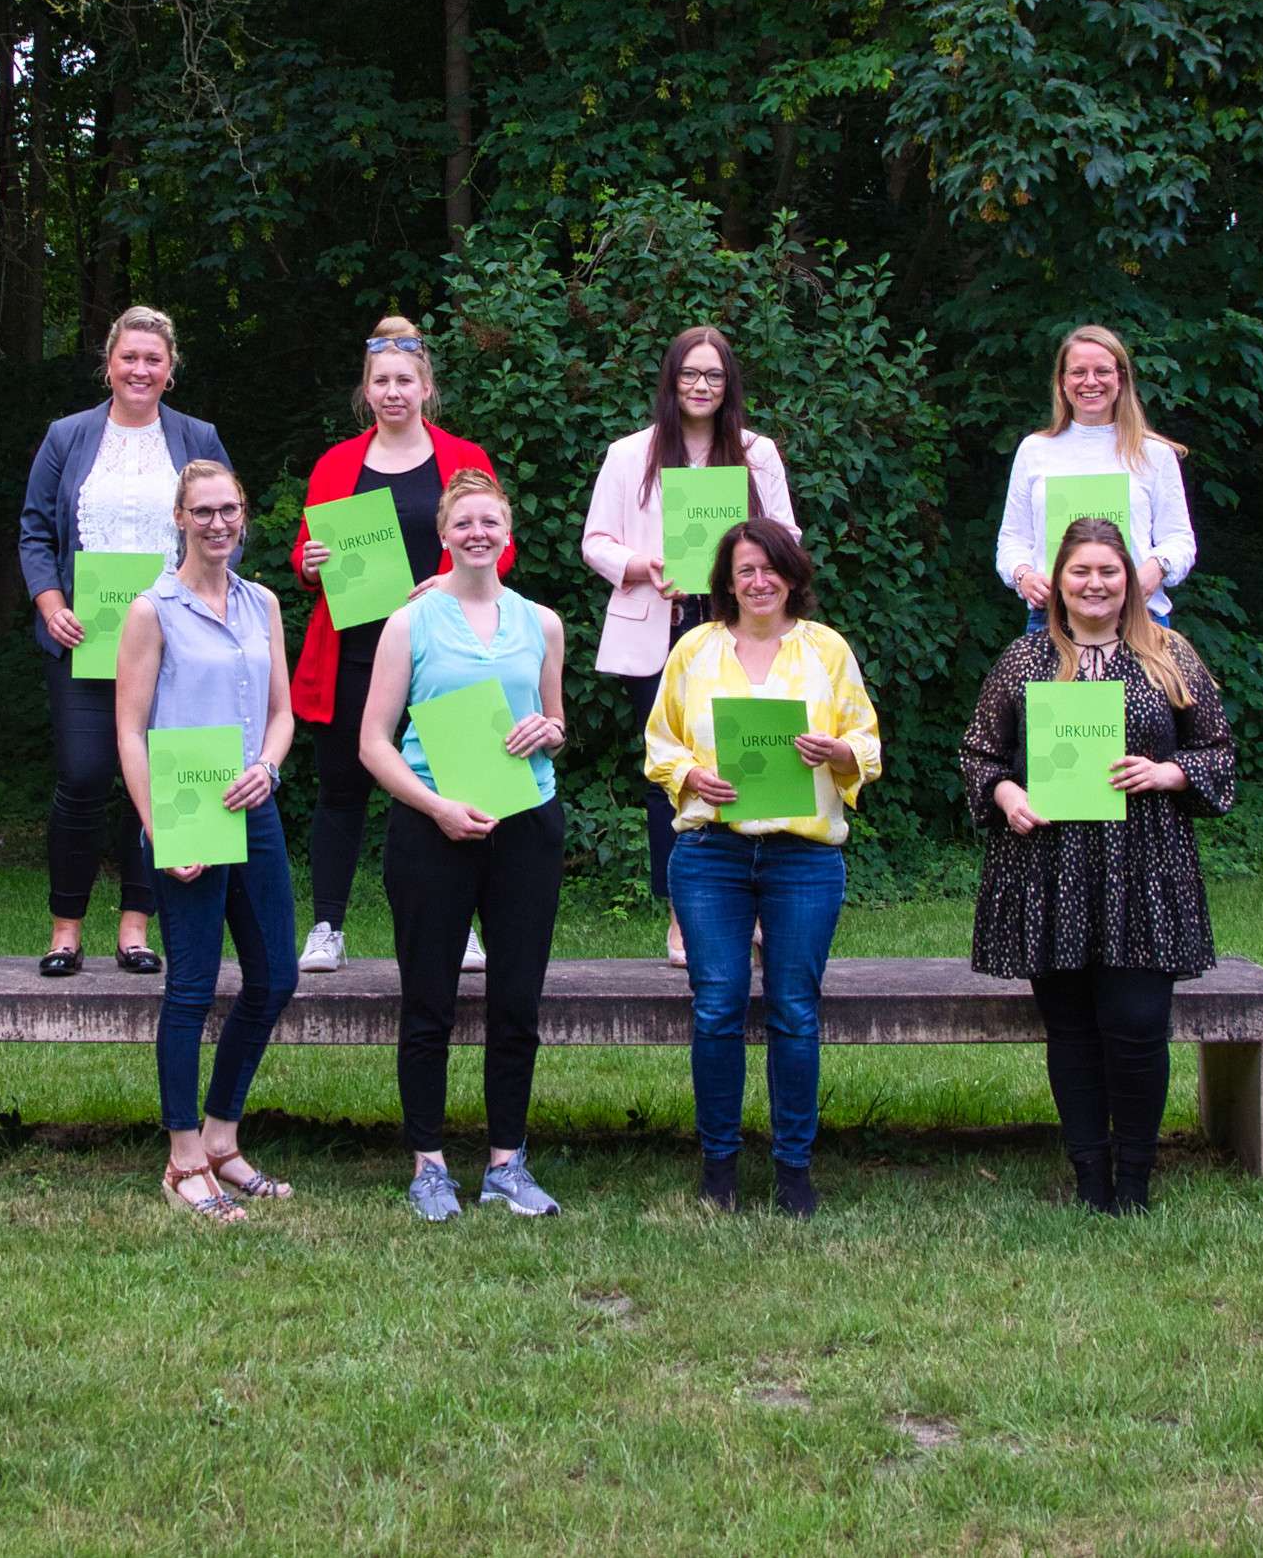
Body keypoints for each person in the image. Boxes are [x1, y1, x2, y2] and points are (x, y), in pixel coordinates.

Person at [958, 517, 1237, 1214]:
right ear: (1058, 581)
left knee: (1138, 1025)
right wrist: (1008, 795)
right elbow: (979, 754)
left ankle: (1135, 1179)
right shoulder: (1024, 660)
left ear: (1130, 580)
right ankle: (1090, 1178)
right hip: (1049, 868)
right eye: (1080, 571)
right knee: (1073, 1032)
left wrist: (1169, 773)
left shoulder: (1169, 654)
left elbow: (1219, 752)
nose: (1095, 584)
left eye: (1108, 571)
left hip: (1144, 866)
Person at [644, 521, 881, 1218]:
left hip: (802, 856)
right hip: (710, 854)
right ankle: (719, 1168)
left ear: (792, 575)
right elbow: (660, 742)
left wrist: (838, 753)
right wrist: (690, 775)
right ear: (726, 580)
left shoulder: (826, 649)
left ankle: (793, 1169)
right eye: (745, 570)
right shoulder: (694, 648)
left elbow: (867, 742)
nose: (758, 581)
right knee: (717, 1007)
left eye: (770, 568)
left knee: (795, 1011)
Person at [356, 469, 569, 1222]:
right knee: (428, 1002)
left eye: (490, 522)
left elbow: (555, 722)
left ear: (508, 534)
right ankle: (429, 1166)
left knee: (517, 1001)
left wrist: (550, 729)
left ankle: (507, 1163)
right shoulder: (409, 623)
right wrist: (437, 808)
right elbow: (372, 742)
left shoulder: (542, 622)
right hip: (432, 829)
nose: (478, 533)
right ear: (443, 535)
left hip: (526, 826)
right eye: (464, 523)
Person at [289, 316, 514, 976]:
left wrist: (448, 580)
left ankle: (462, 926)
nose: (393, 392)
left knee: (458, 787)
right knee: (341, 792)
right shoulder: (336, 464)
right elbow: (307, 557)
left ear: (426, 387)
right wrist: (309, 563)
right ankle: (327, 926)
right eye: (382, 381)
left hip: (445, 649)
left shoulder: (464, 459)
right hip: (355, 653)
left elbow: (500, 546)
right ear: (366, 391)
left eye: (405, 381)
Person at [18, 305, 234, 980]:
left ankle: (136, 926)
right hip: (85, 640)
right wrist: (51, 604)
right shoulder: (66, 436)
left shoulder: (198, 437)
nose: (140, 369)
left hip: (174, 642)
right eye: (129, 357)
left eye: (153, 359)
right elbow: (34, 530)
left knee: (159, 782)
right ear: (109, 363)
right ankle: (65, 930)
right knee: (83, 778)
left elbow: (225, 527)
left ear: (171, 370)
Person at [114, 459, 300, 1222]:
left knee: (276, 977)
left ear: (243, 514)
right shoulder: (151, 610)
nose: (217, 523)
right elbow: (129, 730)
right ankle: (183, 1156)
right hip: (185, 811)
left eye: (228, 509)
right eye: (203, 511)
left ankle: (223, 1136)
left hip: (253, 806)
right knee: (191, 987)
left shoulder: (262, 603)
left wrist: (268, 767)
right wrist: (161, 828)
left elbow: (283, 713)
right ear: (180, 518)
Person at [582, 326, 799, 968]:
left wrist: (754, 565)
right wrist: (643, 565)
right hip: (663, 623)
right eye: (690, 374)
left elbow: (787, 534)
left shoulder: (758, 454)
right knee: (671, 774)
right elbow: (596, 541)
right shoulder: (630, 454)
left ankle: (751, 911)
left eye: (714, 375)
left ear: (729, 385)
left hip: (744, 624)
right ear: (671, 380)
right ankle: (684, 916)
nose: (701, 386)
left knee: (750, 759)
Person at [994, 324, 1196, 632]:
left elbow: (1179, 539)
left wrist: (1156, 568)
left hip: (1139, 619)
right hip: (1052, 621)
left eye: (1102, 371)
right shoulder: (1034, 450)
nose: (1090, 382)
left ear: (1120, 379)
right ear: (1062, 381)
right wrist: (1023, 575)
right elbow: (1013, 539)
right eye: (1078, 372)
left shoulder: (1154, 453)